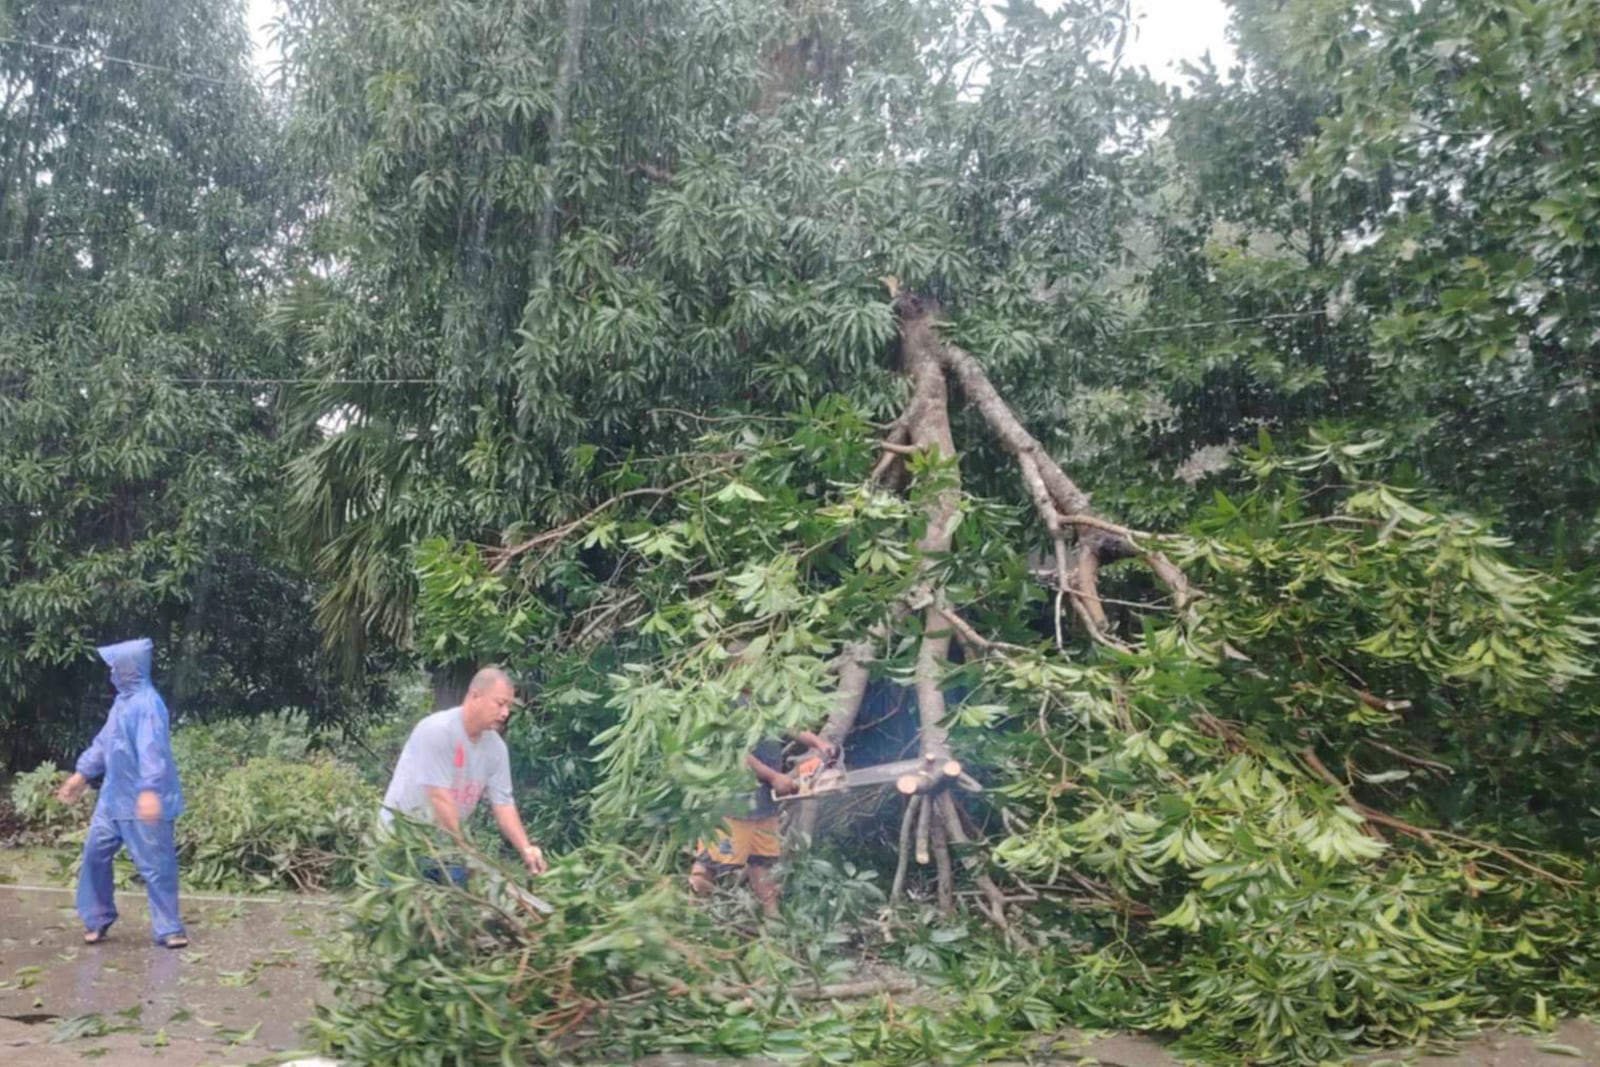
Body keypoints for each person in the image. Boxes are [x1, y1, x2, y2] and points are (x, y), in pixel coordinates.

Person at [55, 638, 188, 948]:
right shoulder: (122, 703)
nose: (112, 672)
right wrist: (81, 776)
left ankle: (169, 928)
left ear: (129, 669)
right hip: (113, 799)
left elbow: (153, 751)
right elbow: (104, 743)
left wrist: (150, 791)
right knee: (94, 856)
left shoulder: (148, 705)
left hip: (143, 800)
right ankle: (97, 918)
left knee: (156, 866)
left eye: (116, 666)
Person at [379, 666, 546, 882]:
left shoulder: (495, 749)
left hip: (446, 848)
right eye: (500, 703)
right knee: (394, 910)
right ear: (475, 696)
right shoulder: (437, 730)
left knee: (454, 911)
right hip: (401, 842)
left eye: (509, 706)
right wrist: (468, 851)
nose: (506, 713)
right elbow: (439, 797)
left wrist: (526, 848)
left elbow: (503, 804)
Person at [689, 729, 835, 916]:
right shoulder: (728, 703)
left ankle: (773, 921)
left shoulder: (767, 701)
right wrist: (774, 777)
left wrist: (820, 744)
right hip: (733, 804)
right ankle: (692, 915)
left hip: (764, 803)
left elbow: (792, 724)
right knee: (710, 863)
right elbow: (734, 751)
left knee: (763, 863)